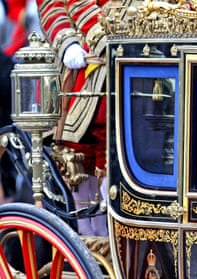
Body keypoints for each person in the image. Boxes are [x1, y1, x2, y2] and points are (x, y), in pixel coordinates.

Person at [35, 0, 111, 236]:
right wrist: (68, 43)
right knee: (84, 145)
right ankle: (91, 238)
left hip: (146, 55)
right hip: (89, 61)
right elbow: (53, 5)